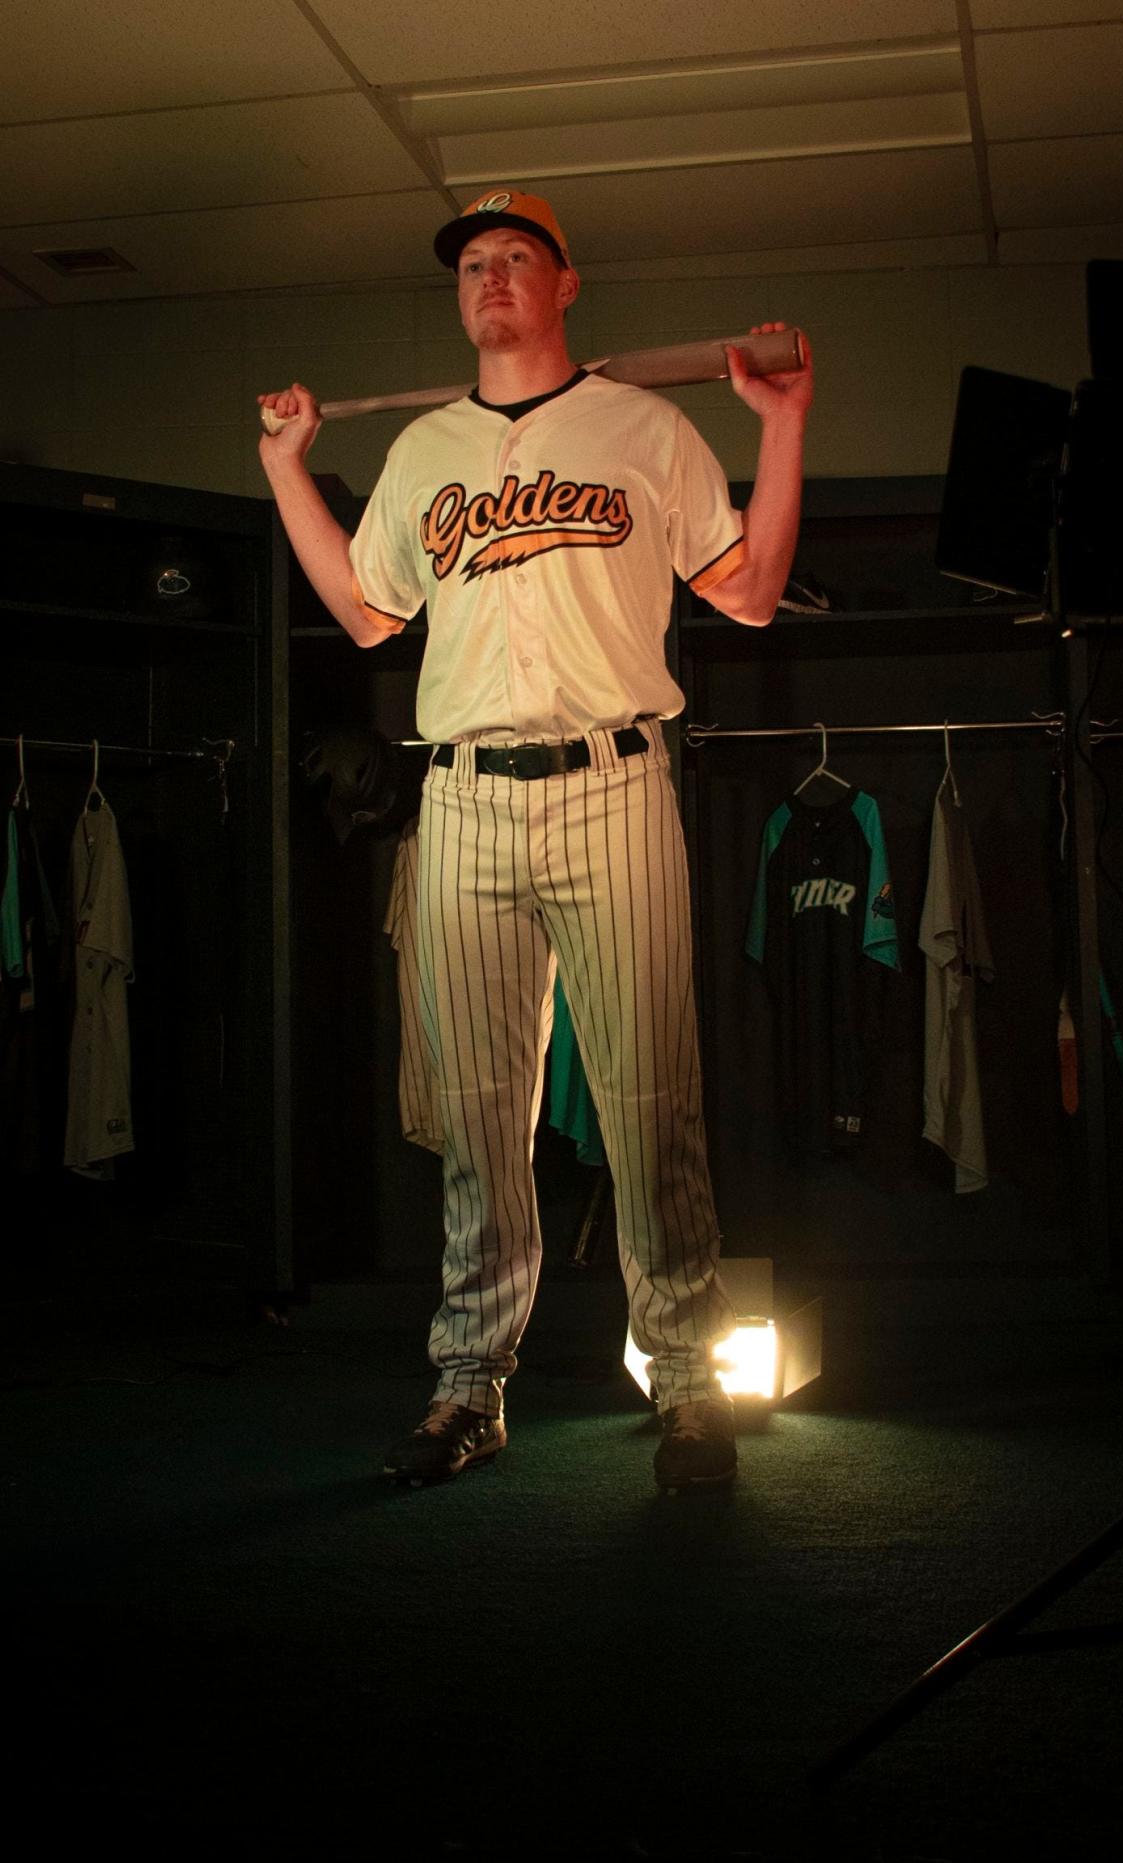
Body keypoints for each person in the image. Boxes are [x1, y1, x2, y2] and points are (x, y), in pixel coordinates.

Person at [258, 189, 813, 1492]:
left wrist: (781, 428)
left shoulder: (645, 425)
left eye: (517, 257)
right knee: (476, 1117)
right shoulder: (424, 452)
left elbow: (749, 591)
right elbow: (364, 615)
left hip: (612, 784)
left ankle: (684, 1387)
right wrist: (287, 470)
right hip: (459, 797)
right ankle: (468, 1392)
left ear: (564, 286)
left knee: (648, 1103)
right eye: (472, 264)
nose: (490, 276)